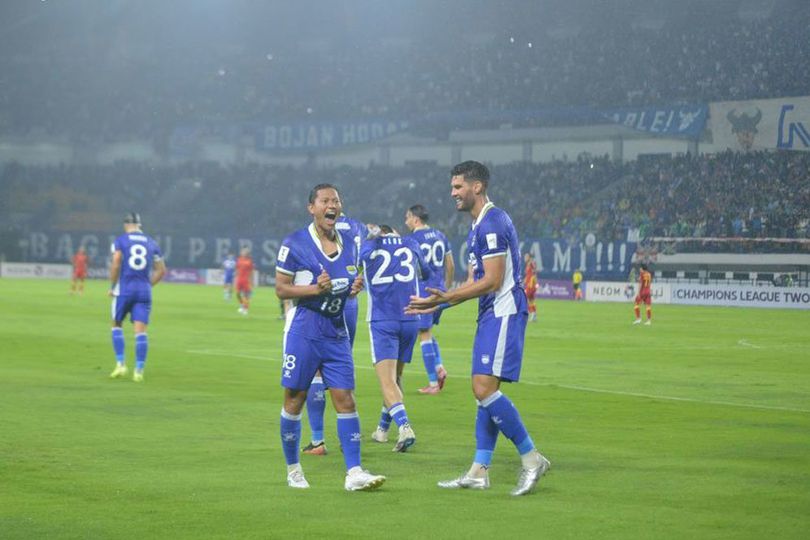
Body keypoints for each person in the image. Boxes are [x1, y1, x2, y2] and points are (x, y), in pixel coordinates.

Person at [406, 161, 550, 496]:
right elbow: (474, 283)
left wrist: (448, 295)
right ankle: (479, 470)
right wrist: (438, 302)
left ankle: (531, 458)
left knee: (483, 388)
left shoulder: (492, 222)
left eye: (458, 187)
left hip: (504, 312)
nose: (452, 193)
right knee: (482, 393)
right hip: (490, 314)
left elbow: (493, 280)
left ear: (477, 187)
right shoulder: (476, 228)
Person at [275, 183, 385, 491]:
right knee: (294, 399)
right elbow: (281, 288)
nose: (332, 205)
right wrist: (314, 289)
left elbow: (345, 279)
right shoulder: (295, 243)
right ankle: (294, 469)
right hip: (305, 332)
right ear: (312, 207)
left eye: (336, 200)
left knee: (345, 399)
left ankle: (354, 473)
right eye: (325, 200)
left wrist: (351, 287)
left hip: (336, 332)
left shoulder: (350, 241)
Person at [300, 212, 368, 456]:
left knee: (316, 369)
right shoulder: (359, 227)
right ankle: (349, 436)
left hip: (328, 301)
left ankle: (318, 440)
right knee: (342, 368)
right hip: (350, 302)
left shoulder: (319, 228)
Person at [361, 224, 431, 451]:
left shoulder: (370, 244)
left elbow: (355, 264)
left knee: (387, 381)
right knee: (396, 376)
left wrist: (370, 240)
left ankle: (404, 427)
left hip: (383, 320)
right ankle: (382, 430)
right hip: (410, 319)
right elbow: (427, 272)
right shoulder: (411, 243)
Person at [109, 213, 166, 382]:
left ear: (126, 225)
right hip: (143, 291)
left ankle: (121, 364)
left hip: (124, 289)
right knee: (141, 332)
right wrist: (147, 285)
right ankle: (139, 371)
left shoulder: (121, 240)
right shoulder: (152, 243)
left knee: (116, 325)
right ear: (139, 225)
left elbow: (117, 262)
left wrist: (112, 286)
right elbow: (161, 270)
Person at [404, 204, 454, 394]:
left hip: (424, 291)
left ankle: (433, 384)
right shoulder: (441, 236)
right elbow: (450, 265)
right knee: (428, 332)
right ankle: (439, 367)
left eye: (408, 217)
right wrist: (446, 288)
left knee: (423, 335)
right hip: (440, 290)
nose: (406, 221)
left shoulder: (411, 239)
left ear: (416, 219)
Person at [235, 248, 254, 315]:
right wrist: (235, 278)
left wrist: (252, 281)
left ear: (247, 253)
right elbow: (237, 269)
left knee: (246, 295)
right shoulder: (239, 260)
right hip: (239, 279)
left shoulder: (249, 261)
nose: (242, 253)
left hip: (246, 280)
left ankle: (245, 309)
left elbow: (251, 272)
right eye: (242, 252)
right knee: (237, 293)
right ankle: (241, 305)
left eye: (244, 252)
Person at [523, 253, 538, 322]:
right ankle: (534, 315)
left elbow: (534, 272)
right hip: (529, 284)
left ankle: (530, 313)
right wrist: (524, 281)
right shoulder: (528, 265)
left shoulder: (531, 263)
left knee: (525, 299)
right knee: (531, 300)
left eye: (526, 256)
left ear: (529, 257)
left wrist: (535, 283)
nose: (525, 258)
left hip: (530, 285)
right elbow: (528, 275)